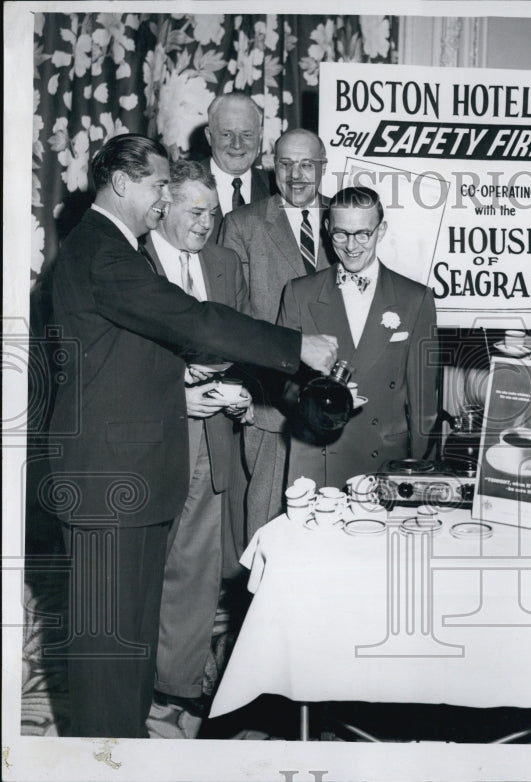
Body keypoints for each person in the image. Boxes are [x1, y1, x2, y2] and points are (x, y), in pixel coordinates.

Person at [46, 134, 338, 738]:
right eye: (157, 185)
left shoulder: (111, 247)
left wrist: (180, 372)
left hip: (128, 479)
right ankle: (104, 764)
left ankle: (126, 752)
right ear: (122, 183)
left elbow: (127, 350)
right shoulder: (105, 252)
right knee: (109, 653)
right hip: (110, 484)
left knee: (127, 645)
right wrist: (294, 346)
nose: (164, 198)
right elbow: (190, 317)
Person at [142, 159, 251, 718]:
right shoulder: (132, 261)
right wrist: (173, 387)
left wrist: (244, 389)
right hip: (151, 434)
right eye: (195, 211)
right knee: (145, 564)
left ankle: (178, 682)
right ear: (163, 206)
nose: (207, 223)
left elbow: (241, 337)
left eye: (214, 212)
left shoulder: (226, 263)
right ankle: (140, 675)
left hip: (211, 434)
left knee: (197, 563)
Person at [278, 186, 438, 487]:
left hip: (384, 463)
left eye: (363, 234)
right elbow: (283, 383)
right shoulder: (299, 293)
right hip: (317, 460)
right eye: (341, 234)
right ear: (327, 230)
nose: (351, 246)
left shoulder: (415, 299)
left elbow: (423, 405)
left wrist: (418, 474)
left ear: (381, 230)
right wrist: (315, 400)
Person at [220, 128, 332, 546]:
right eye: (285, 164)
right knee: (268, 529)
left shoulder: (347, 219)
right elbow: (231, 319)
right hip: (272, 406)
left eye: (307, 164)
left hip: (340, 405)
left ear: (323, 165)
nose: (296, 175)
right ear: (271, 166)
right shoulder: (243, 225)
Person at [202, 92, 273, 241]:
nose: (237, 145)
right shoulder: (180, 185)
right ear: (209, 136)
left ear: (260, 137)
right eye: (227, 134)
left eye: (247, 135)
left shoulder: (276, 189)